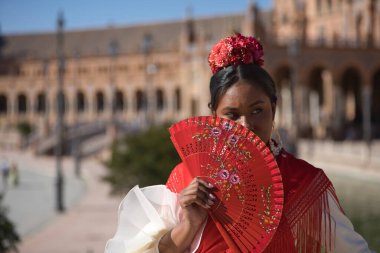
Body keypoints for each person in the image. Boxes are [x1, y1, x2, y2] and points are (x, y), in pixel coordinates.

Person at [105, 34, 375, 253]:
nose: (245, 126)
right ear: (214, 117)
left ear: (274, 109)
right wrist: (189, 224)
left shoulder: (304, 183)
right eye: (232, 115)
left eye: (257, 110)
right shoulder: (186, 178)